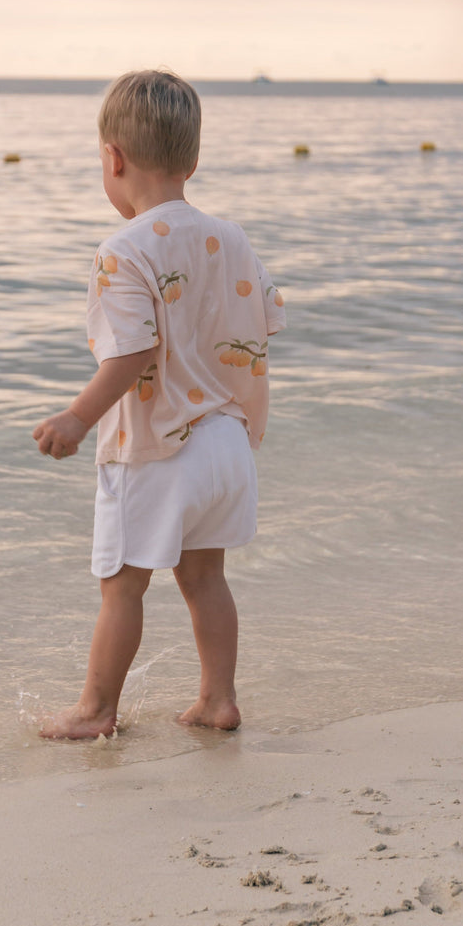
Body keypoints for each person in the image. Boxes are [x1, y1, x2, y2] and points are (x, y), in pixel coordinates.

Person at [33, 70, 285, 739]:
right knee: (205, 579)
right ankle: (217, 698)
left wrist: (78, 417)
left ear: (111, 158)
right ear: (193, 159)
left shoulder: (123, 251)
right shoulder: (231, 237)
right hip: (227, 443)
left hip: (158, 449)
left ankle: (95, 709)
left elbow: (133, 352)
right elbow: (264, 323)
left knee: (123, 585)